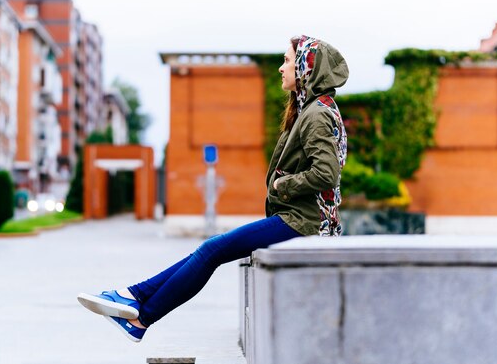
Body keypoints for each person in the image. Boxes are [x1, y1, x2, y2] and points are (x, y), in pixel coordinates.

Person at [77, 35, 349, 342]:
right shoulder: (311, 109)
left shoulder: (317, 114)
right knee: (211, 249)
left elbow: (326, 174)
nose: (280, 68)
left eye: (287, 61)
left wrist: (281, 185)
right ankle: (131, 297)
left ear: (306, 68)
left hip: (305, 222)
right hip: (299, 218)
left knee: (212, 249)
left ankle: (141, 317)